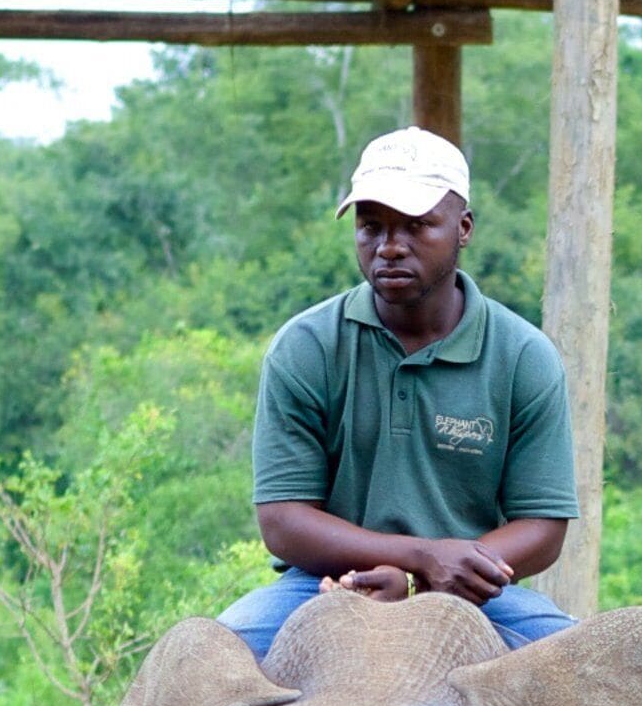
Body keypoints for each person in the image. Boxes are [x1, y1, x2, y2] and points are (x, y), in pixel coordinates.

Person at [221, 127, 581, 654]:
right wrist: (419, 559)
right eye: (372, 228)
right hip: (316, 585)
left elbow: (543, 525)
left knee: (584, 671)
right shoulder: (306, 347)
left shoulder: (523, 356)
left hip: (476, 590)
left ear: (463, 228)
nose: (389, 247)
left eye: (416, 226)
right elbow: (283, 521)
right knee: (214, 655)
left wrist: (432, 576)